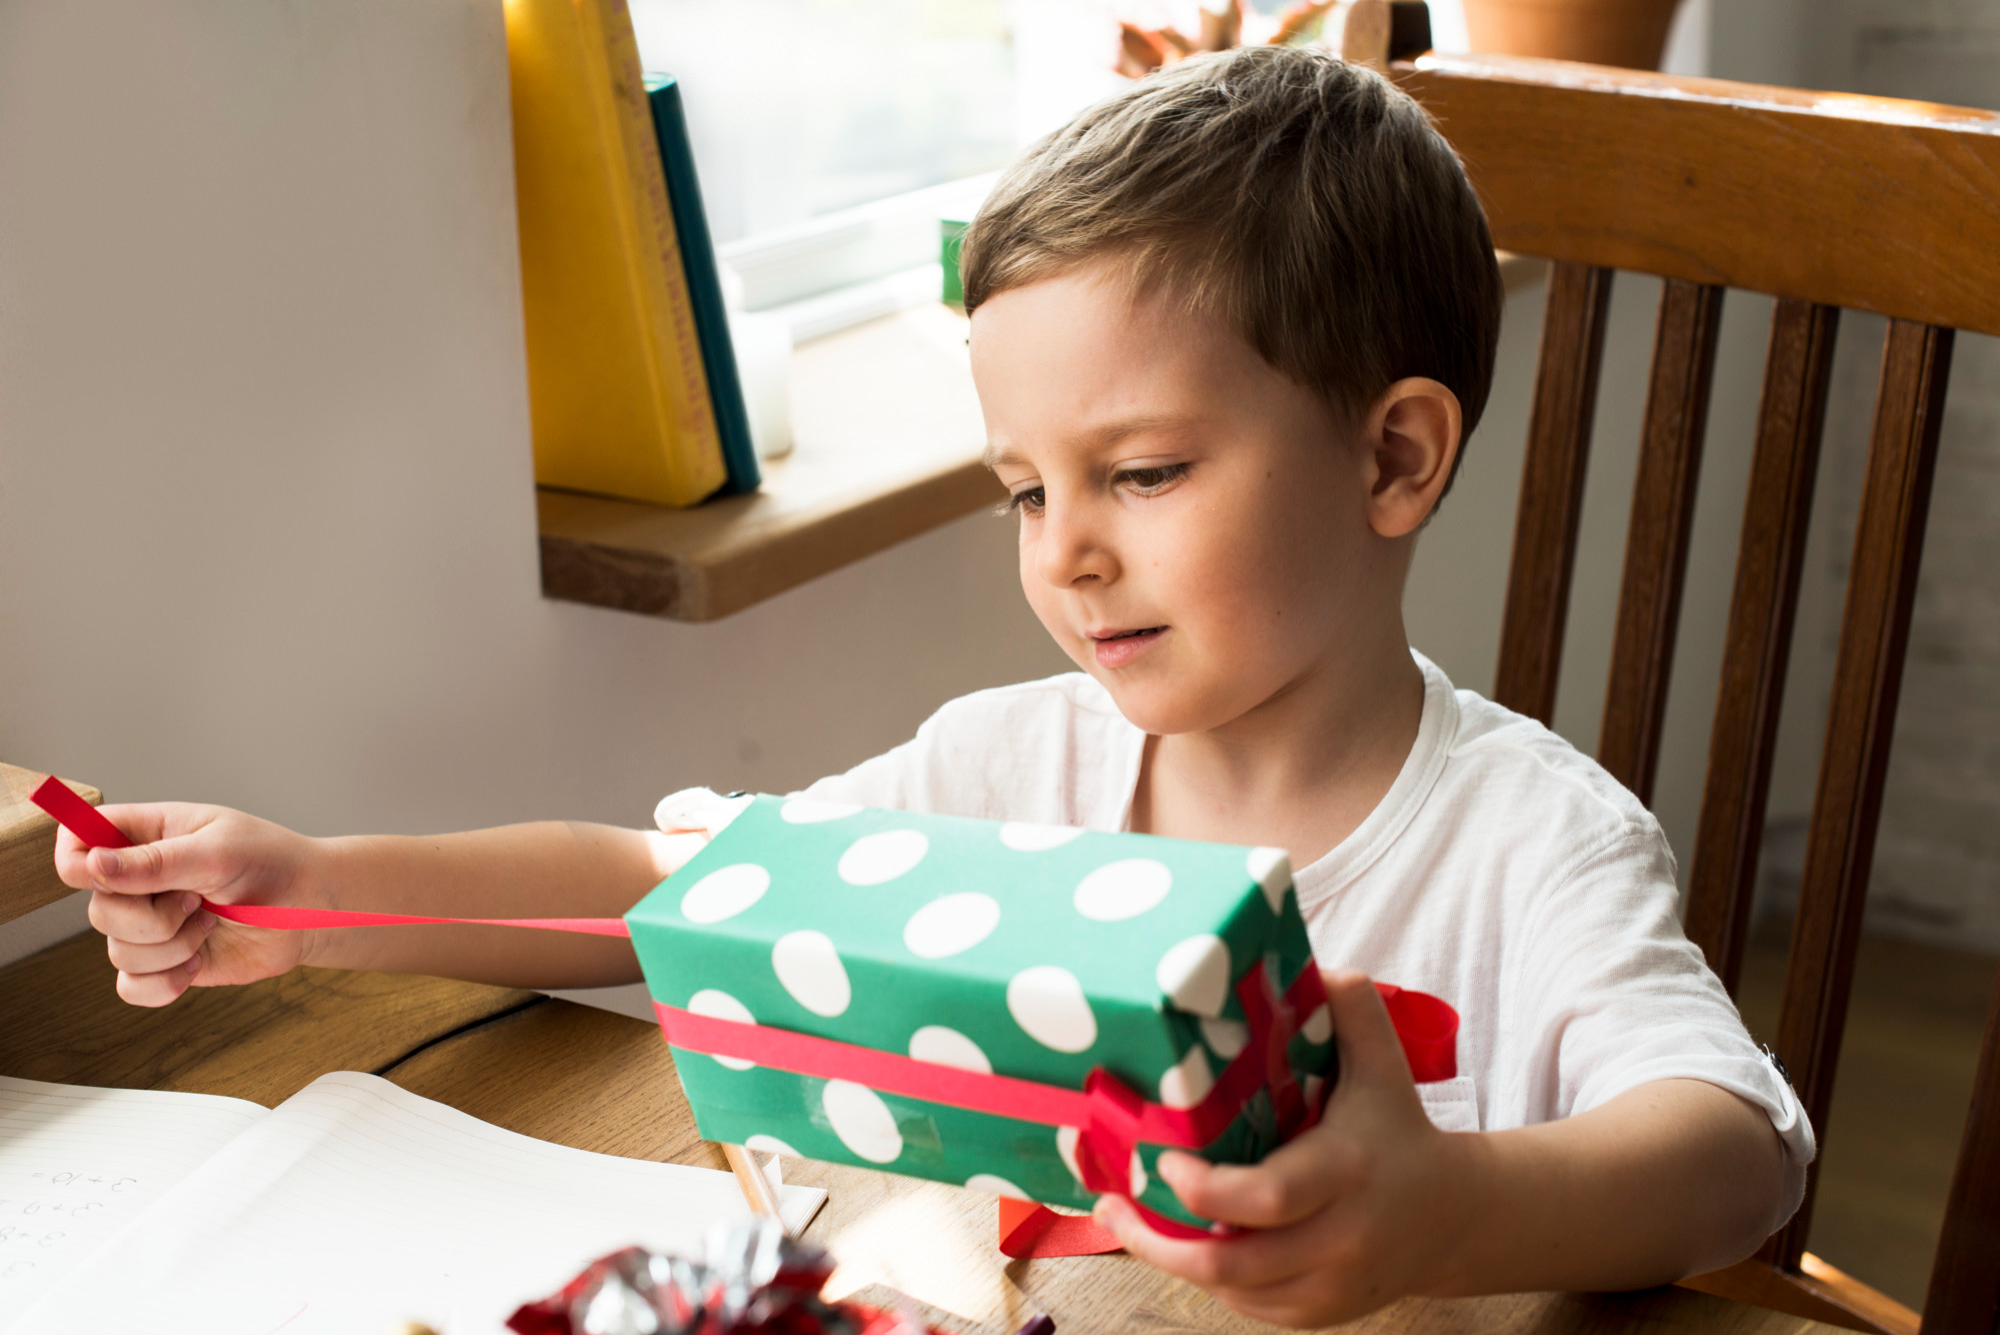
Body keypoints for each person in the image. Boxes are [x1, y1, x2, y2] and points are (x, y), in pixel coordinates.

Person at [59, 46, 1810, 1328]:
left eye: (1140, 473)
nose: (1065, 556)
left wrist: (1446, 1213)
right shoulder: (1005, 771)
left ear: (1392, 456)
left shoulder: (1533, 843)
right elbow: (660, 894)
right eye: (1025, 491)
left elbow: (1738, 1152)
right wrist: (319, 895)